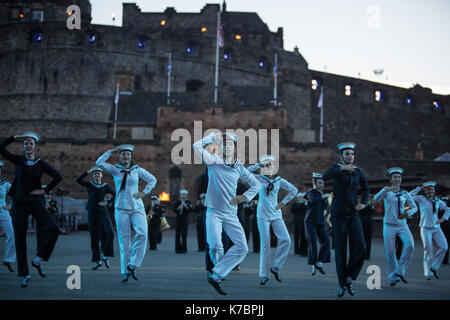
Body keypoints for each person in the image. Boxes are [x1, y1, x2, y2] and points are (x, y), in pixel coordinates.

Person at [192, 131, 261, 295]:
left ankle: (217, 275)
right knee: (215, 245)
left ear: (234, 148)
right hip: (214, 212)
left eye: (230, 144)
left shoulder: (239, 166)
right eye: (224, 144)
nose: (227, 146)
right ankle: (217, 274)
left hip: (231, 214)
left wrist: (244, 197)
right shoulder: (213, 160)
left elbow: (256, 184)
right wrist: (211, 138)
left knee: (242, 248)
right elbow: (196, 146)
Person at [0, 132, 62, 288]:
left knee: (53, 228)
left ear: (36, 147)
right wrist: (15, 137)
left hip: (35, 202)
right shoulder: (18, 160)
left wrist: (45, 190)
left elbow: (57, 176)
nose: (28, 145)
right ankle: (25, 274)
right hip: (19, 203)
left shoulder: (41, 163)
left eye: (31, 143)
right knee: (20, 239)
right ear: (23, 146)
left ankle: (39, 258)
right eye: (26, 143)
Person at [96, 144, 157, 282]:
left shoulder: (137, 170)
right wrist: (110, 151)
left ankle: (133, 264)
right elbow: (98, 163)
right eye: (123, 154)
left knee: (142, 234)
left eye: (128, 154)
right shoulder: (115, 170)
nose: (125, 156)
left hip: (137, 207)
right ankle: (125, 271)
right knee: (125, 241)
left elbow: (153, 180)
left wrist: (143, 193)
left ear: (131, 156)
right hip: (121, 208)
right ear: (120, 156)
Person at [322, 142, 369, 297]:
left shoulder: (358, 171)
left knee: (361, 245)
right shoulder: (336, 169)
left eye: (352, 154)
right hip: (338, 214)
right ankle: (342, 284)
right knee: (341, 250)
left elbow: (366, 188)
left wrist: (363, 203)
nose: (350, 156)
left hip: (353, 213)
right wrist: (341, 168)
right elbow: (324, 177)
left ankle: (349, 276)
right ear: (342, 156)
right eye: (347, 154)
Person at [247, 155, 297, 285]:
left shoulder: (279, 180)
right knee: (265, 244)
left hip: (276, 214)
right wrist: (258, 165)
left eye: (270, 165)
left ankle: (275, 267)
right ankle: (264, 275)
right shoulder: (258, 179)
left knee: (286, 239)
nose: (268, 168)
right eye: (265, 166)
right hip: (262, 214)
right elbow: (245, 173)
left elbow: (294, 190)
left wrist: (282, 203)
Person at [373, 167, 417, 286]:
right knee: (391, 252)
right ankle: (393, 277)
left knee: (411, 246)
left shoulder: (405, 193)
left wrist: (407, 213)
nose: (397, 179)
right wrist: (386, 189)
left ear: (401, 179)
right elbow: (376, 198)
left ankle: (400, 270)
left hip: (402, 225)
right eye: (395, 177)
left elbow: (414, 207)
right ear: (391, 179)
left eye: (399, 177)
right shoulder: (387, 191)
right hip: (389, 226)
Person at [76, 166, 115, 270]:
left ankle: (106, 255)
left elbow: (116, 195)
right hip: (92, 212)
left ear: (101, 175)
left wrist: (107, 203)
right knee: (94, 237)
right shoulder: (89, 185)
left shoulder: (105, 186)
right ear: (93, 176)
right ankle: (97, 261)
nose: (97, 175)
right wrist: (88, 170)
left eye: (98, 173)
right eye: (95, 174)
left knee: (110, 232)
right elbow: (78, 180)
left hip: (103, 212)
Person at [410, 182, 449, 280]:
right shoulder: (421, 199)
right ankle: (428, 273)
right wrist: (420, 187)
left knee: (444, 247)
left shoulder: (438, 201)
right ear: (425, 191)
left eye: (432, 189)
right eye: (428, 189)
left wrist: (443, 219)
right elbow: (410, 195)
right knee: (428, 250)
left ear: (434, 191)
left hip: (436, 227)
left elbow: (448, 209)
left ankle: (434, 266)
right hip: (425, 227)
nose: (430, 191)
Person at [305, 173, 331, 276]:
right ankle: (313, 266)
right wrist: (323, 196)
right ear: (314, 183)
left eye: (323, 183)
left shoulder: (321, 194)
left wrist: (324, 209)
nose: (322, 185)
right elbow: (312, 200)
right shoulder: (311, 192)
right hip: (310, 222)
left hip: (320, 222)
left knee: (327, 242)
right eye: (320, 183)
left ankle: (319, 262)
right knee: (313, 244)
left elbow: (324, 205)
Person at [0, 161, 15, 273]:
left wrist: (10, 206)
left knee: (12, 234)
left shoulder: (5, 184)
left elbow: (16, 194)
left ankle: (8, 259)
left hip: (2, 212)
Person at [440, 197, 450, 264]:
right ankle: (444, 259)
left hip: (444, 224)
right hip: (447, 224)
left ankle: (444, 259)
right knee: (446, 242)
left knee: (445, 243)